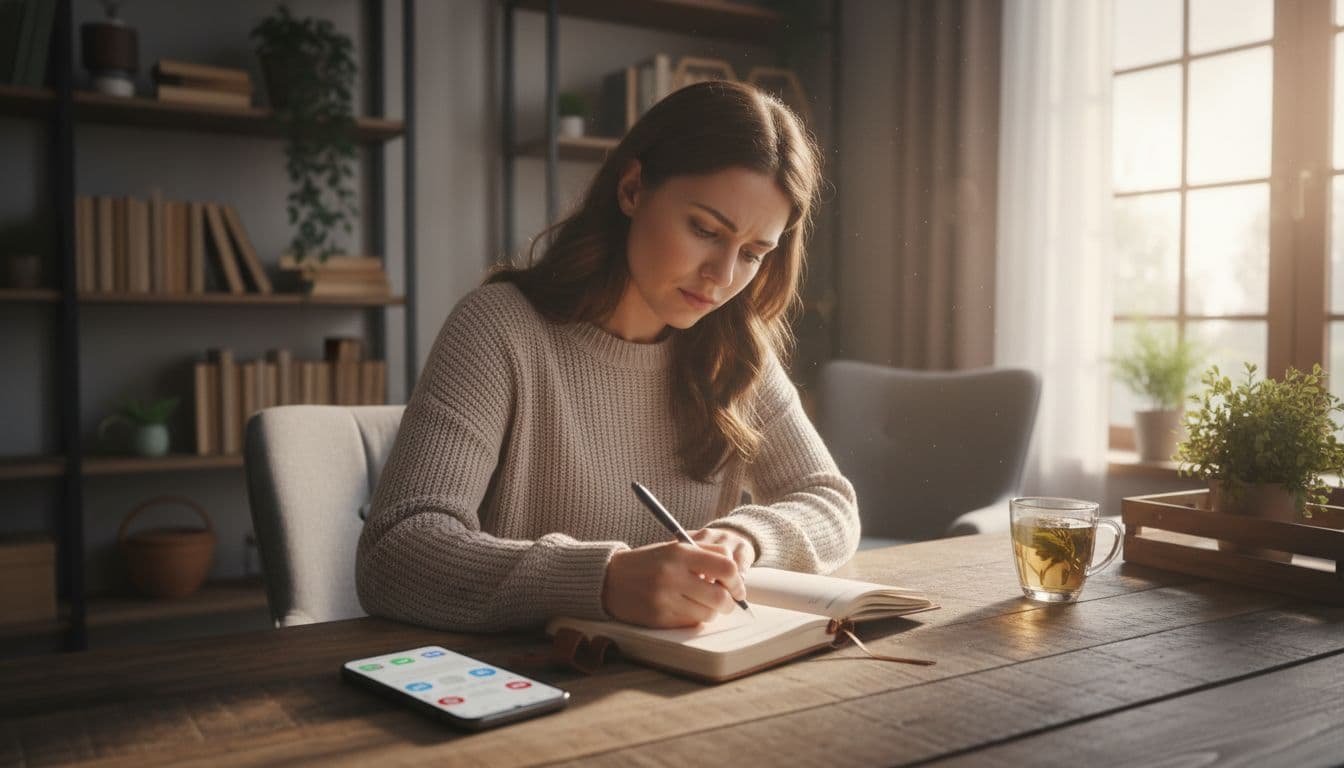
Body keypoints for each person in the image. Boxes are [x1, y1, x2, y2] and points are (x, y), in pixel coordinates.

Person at [356, 80, 859, 633]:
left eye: (753, 253)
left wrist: (746, 538)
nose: (722, 276)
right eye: (704, 230)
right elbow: (394, 551)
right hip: (533, 680)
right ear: (633, 188)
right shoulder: (500, 328)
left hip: (686, 682)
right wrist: (604, 579)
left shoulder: (734, 347)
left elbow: (828, 501)